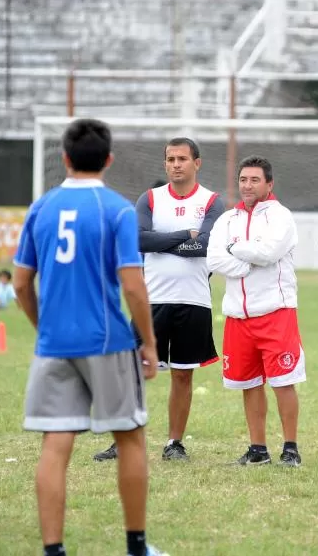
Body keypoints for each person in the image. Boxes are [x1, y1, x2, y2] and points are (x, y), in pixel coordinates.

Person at [12, 118, 167, 556]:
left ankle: (53, 550)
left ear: (63, 158)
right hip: (107, 343)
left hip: (54, 346)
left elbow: (22, 283)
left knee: (55, 445)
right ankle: (136, 547)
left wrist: (44, 328)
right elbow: (134, 286)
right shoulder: (116, 209)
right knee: (130, 437)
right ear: (109, 160)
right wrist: (149, 344)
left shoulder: (40, 207)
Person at [94, 138, 225, 463]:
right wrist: (185, 234)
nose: (175, 164)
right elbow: (138, 239)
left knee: (182, 374)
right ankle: (123, 439)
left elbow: (208, 245)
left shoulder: (212, 202)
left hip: (194, 300)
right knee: (132, 369)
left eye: (182, 158)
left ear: (197, 163)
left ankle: (174, 443)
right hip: (151, 300)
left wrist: (161, 242)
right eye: (170, 159)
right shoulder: (150, 199)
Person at [207, 155, 304, 467]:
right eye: (243, 180)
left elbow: (269, 252)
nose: (247, 186)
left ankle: (290, 448)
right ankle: (257, 449)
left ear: (269, 184)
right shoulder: (227, 220)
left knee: (283, 382)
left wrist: (236, 250)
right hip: (238, 316)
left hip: (276, 312)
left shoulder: (280, 217)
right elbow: (214, 260)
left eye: (254, 180)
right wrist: (247, 257)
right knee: (248, 383)